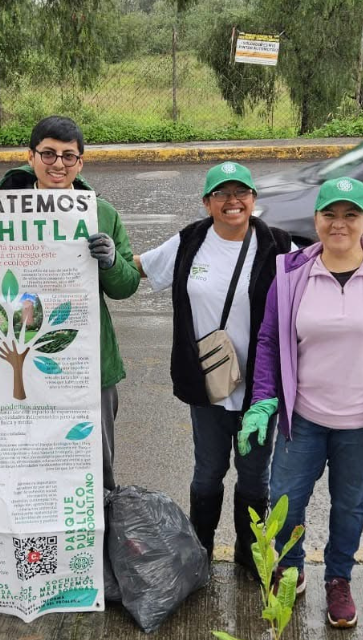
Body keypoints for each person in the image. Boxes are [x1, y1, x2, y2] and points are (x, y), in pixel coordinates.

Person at [239, 177, 363, 628]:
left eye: (351, 215)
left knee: (349, 505)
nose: (339, 224)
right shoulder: (290, 272)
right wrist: (262, 401)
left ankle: (338, 579)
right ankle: (290, 571)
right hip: (302, 418)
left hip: (361, 423)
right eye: (330, 214)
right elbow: (270, 339)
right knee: (286, 500)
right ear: (316, 220)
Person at [133, 162, 292, 575]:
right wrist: (93, 255)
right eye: (221, 194)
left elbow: (320, 278)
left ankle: (250, 552)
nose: (232, 201)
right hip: (206, 381)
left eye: (241, 192)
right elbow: (140, 266)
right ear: (207, 202)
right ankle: (199, 551)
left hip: (260, 386)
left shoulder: (277, 245)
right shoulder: (190, 240)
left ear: (254, 200)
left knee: (255, 478)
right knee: (207, 473)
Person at [0, 115, 140, 492]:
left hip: (90, 365)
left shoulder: (101, 213)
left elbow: (126, 287)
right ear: (30, 156)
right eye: (48, 153)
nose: (58, 163)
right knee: (29, 468)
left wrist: (111, 262)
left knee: (95, 468)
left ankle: (96, 551)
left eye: (68, 156)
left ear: (81, 162)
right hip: (24, 360)